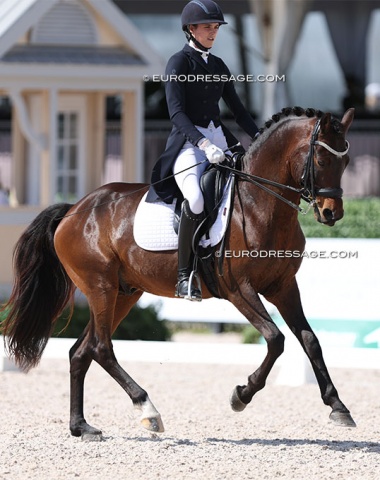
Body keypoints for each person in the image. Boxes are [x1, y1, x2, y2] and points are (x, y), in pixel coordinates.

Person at [146, 0, 259, 301]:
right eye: (207, 27)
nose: (213, 32)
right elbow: (176, 114)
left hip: (220, 139)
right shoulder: (178, 63)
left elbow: (238, 111)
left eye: (216, 27)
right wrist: (203, 143)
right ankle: (185, 276)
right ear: (191, 29)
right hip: (189, 143)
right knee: (195, 198)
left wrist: (260, 138)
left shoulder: (219, 65)